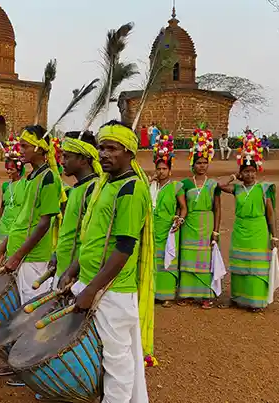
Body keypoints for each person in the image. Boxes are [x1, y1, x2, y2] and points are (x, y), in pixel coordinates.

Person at [58, 120, 153, 402]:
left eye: (112, 148)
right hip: (91, 283)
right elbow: (90, 237)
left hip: (113, 291)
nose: (104, 154)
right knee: (97, 354)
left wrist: (91, 290)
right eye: (101, 147)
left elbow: (124, 249)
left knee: (117, 359)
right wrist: (73, 270)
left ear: (129, 153)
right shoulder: (104, 185)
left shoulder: (131, 189)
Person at [0, 125, 63, 303]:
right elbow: (23, 217)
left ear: (39, 148)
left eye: (25, 146)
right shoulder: (32, 176)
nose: (20, 150)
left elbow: (44, 223)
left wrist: (17, 255)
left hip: (32, 258)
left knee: (31, 306)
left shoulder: (48, 178)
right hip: (21, 254)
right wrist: (6, 245)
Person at [217, 133, 277, 312]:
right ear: (242, 173)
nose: (249, 175)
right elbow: (219, 185)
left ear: (256, 172)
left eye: (252, 171)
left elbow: (270, 214)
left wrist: (274, 235)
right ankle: (237, 298)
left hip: (258, 230)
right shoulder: (237, 188)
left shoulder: (264, 189)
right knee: (240, 265)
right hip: (240, 230)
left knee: (256, 267)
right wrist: (234, 176)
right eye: (246, 171)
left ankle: (256, 301)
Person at [178, 126, 221, 309]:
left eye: (204, 163)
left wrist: (216, 231)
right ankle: (187, 294)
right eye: (198, 163)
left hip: (206, 223)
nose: (201, 166)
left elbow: (218, 208)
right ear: (192, 165)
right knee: (187, 257)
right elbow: (180, 206)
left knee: (205, 260)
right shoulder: (185, 184)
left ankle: (205, 295)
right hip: (189, 224)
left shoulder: (213, 184)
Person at [52, 130, 101, 291]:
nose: (61, 161)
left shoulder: (93, 189)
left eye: (66, 156)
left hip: (74, 277)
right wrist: (57, 255)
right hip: (63, 270)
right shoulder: (76, 189)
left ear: (83, 159)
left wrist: (71, 272)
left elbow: (92, 241)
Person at [150, 135, 187, 307]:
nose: (161, 172)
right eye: (158, 169)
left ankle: (167, 295)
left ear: (170, 171)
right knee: (153, 261)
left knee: (167, 260)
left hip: (168, 228)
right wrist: (150, 182)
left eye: (164, 169)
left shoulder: (176, 187)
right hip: (153, 227)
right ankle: (153, 292)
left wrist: (180, 219)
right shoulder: (152, 187)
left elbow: (183, 207)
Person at [0, 135, 27, 248]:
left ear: (18, 170)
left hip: (18, 225)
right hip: (4, 224)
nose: (8, 171)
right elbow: (2, 206)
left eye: (11, 169)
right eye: (7, 169)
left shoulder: (26, 184)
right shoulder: (5, 186)